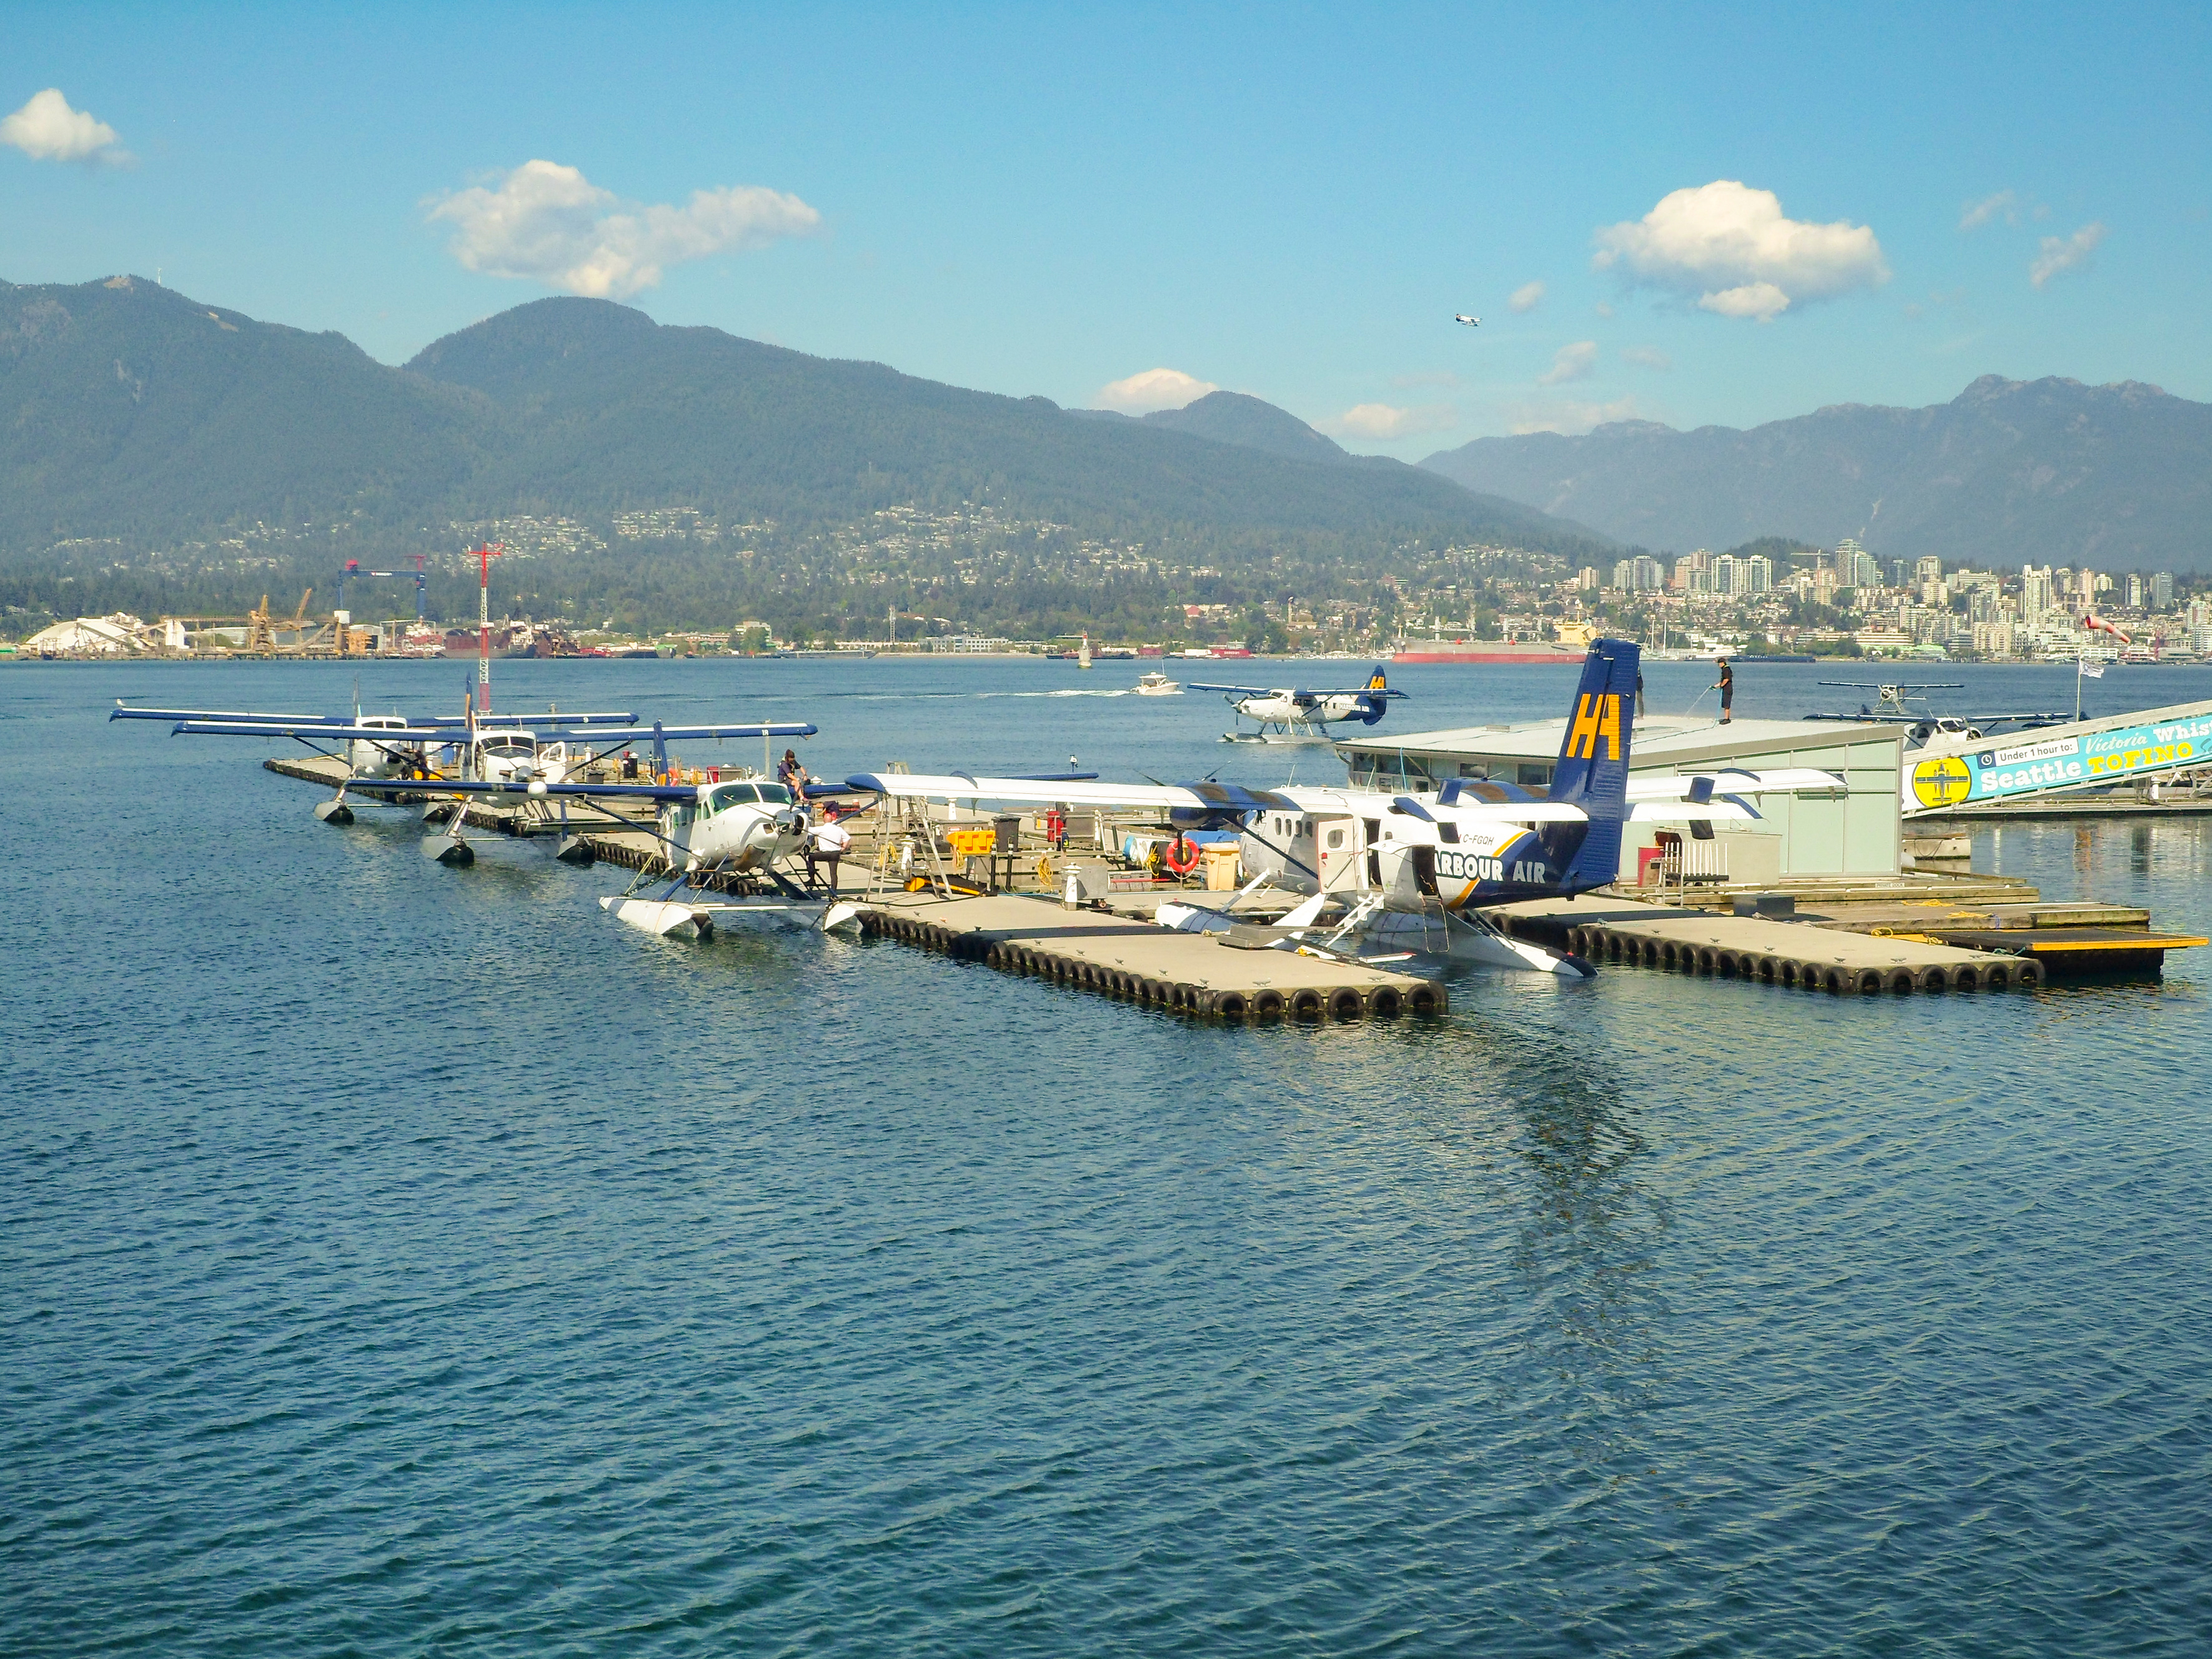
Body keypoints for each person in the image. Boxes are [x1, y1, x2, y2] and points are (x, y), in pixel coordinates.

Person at [808, 810, 852, 891]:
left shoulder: (821, 829)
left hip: (824, 853)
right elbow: (848, 838)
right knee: (834, 873)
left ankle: (812, 879)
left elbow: (808, 831)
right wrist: (843, 848)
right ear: (832, 820)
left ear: (824, 820)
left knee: (811, 858)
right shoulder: (839, 829)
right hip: (835, 854)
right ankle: (834, 891)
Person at [1714, 658, 1734, 724]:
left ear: (1722, 663)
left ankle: (1727, 719)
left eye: (1719, 664)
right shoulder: (1725, 669)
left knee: (1727, 703)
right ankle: (1726, 717)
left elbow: (1726, 679)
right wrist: (1715, 686)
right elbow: (1723, 681)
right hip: (1726, 688)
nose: (1718, 665)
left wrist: (1722, 685)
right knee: (1725, 703)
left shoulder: (1726, 669)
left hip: (1728, 689)